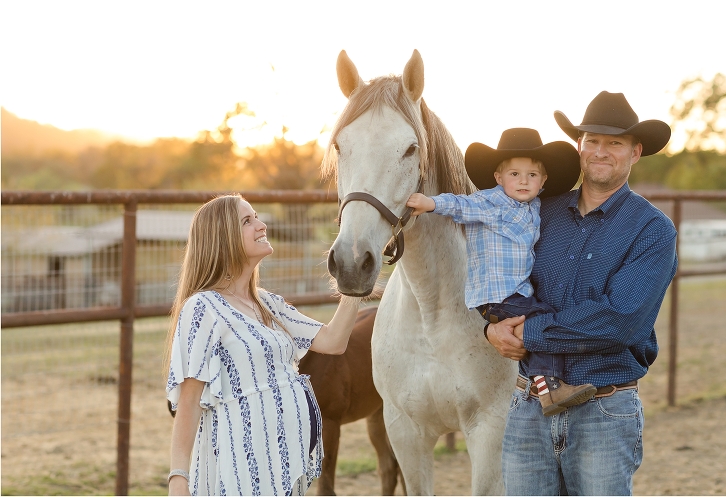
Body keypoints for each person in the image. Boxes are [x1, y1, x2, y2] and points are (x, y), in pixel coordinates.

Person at [488, 92, 678, 495]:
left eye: (615, 143)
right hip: (529, 405)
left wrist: (527, 333)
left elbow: (620, 320)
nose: (600, 151)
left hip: (603, 409)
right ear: (579, 146)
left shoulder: (652, 230)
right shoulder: (539, 212)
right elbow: (498, 272)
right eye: (592, 140)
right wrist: (490, 327)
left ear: (635, 152)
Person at [165, 194, 361, 496]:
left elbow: (333, 341)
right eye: (248, 221)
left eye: (256, 217)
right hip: (241, 468)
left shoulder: (268, 304)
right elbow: (189, 401)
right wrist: (179, 478)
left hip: (282, 467)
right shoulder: (203, 308)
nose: (261, 225)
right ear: (223, 239)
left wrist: (357, 280)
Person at [407, 127, 593, 415]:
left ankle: (545, 384)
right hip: (498, 295)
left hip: (517, 294)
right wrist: (430, 203)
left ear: (543, 180)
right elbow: (460, 205)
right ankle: (549, 388)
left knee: (540, 322)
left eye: (532, 175)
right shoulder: (491, 201)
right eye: (514, 174)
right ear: (499, 177)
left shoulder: (535, 206)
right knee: (543, 321)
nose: (523, 181)